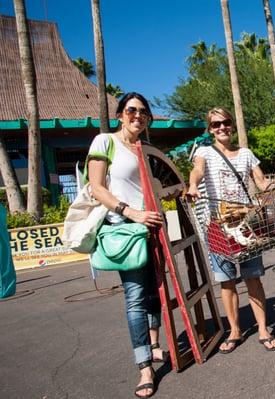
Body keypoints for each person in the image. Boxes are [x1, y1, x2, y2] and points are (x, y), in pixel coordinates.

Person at [188, 107, 275, 353]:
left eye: (226, 122)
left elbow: (262, 183)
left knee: (253, 277)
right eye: (216, 124)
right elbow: (198, 171)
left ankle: (263, 329)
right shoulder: (204, 152)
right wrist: (192, 185)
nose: (222, 127)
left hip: (244, 224)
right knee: (227, 281)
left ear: (231, 125)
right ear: (209, 129)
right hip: (218, 225)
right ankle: (235, 330)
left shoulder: (246, 154)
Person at [87, 92, 166, 398]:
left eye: (144, 112)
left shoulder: (145, 149)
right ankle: (144, 367)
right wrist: (130, 212)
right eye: (131, 110)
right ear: (120, 114)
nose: (138, 115)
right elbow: (96, 187)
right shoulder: (104, 141)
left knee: (154, 289)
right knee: (135, 297)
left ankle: (155, 343)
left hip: (152, 226)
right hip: (124, 226)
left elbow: (158, 185)